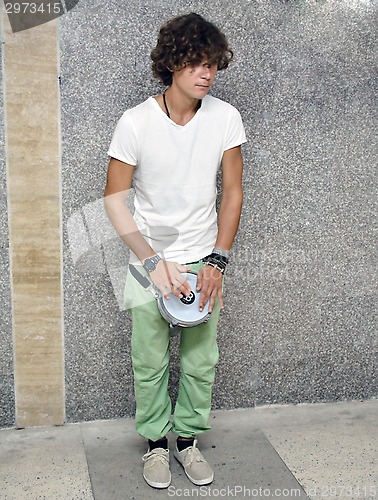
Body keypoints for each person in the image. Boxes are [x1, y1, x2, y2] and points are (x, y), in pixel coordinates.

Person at [104, 12, 246, 489]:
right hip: (149, 260)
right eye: (194, 63)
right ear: (172, 64)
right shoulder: (135, 122)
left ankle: (186, 441)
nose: (206, 73)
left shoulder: (226, 118)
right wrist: (151, 261)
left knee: (201, 361)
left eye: (212, 64)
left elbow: (232, 193)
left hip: (203, 257)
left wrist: (217, 260)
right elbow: (114, 201)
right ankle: (155, 445)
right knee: (149, 360)